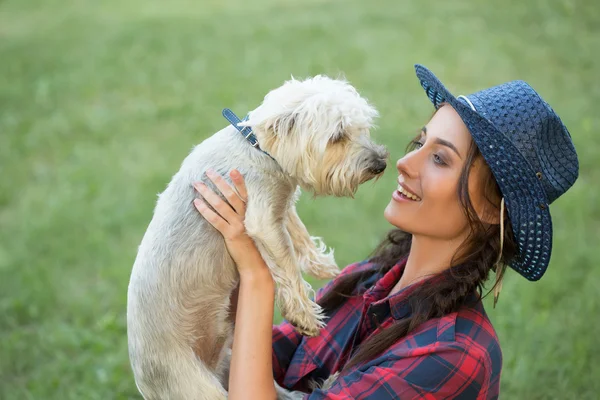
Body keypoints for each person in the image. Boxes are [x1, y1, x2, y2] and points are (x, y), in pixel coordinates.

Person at [192, 64, 579, 399]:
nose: (405, 162)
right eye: (420, 142)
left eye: (440, 158)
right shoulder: (367, 282)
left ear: (492, 209)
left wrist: (258, 275)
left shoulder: (453, 354)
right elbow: (253, 358)